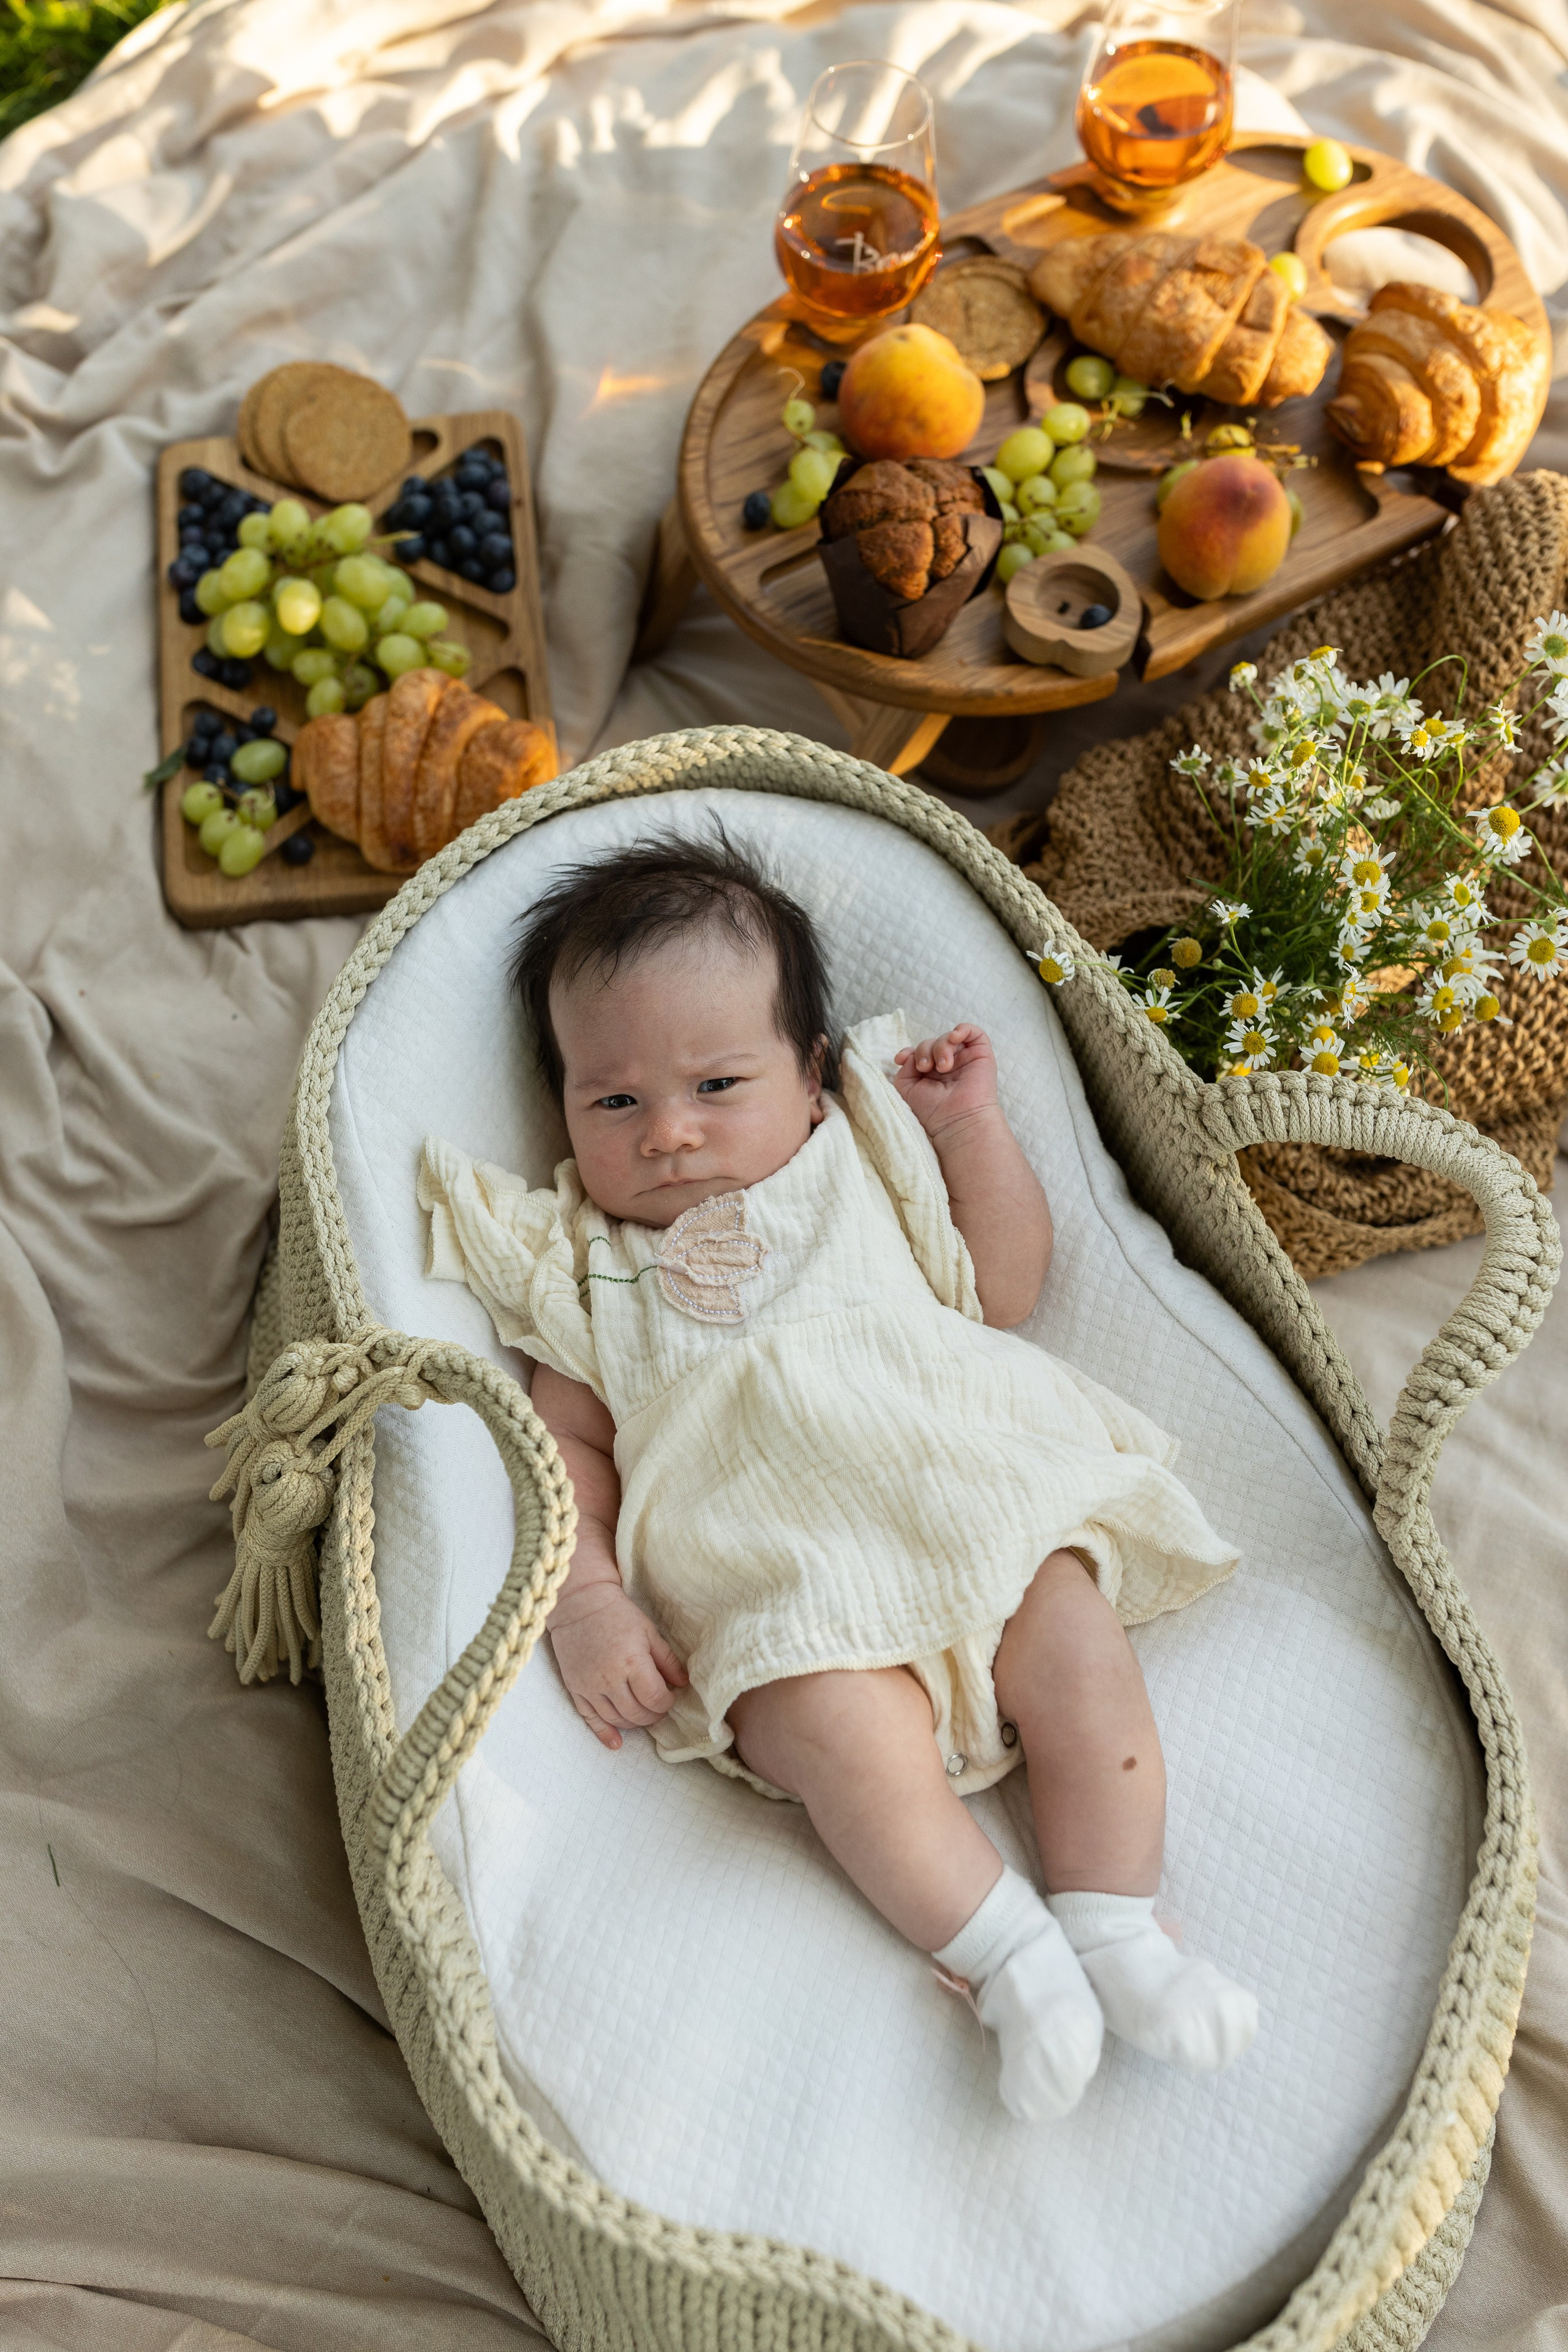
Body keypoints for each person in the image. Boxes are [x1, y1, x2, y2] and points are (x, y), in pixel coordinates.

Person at [418, 830, 1257, 2120]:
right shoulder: (580, 1271)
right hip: (782, 1577)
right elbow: (563, 1465)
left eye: (714, 1083)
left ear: (811, 1078)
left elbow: (1002, 1285)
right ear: (564, 1111)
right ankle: (1006, 1956)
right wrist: (587, 1599)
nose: (670, 1137)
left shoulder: (854, 1161)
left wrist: (966, 1129)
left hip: (969, 1490)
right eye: (614, 1102)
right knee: (838, 1741)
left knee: (1078, 1648)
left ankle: (1114, 1930)